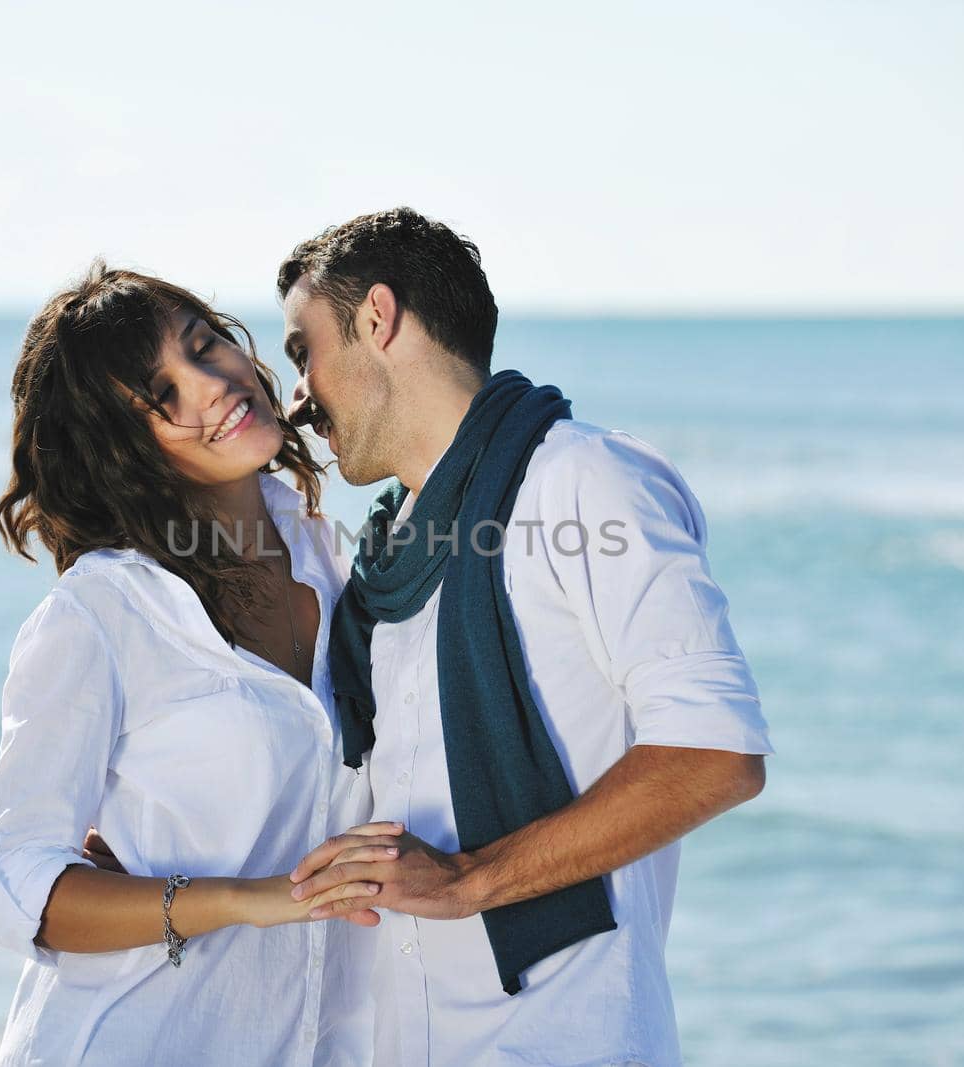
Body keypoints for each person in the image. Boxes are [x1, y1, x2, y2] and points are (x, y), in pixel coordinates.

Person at [278, 208, 775, 1067]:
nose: (297, 393)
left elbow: (715, 751)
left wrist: (472, 878)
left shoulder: (583, 480)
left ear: (377, 318)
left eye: (302, 350)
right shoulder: (389, 553)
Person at [0, 262, 392, 1066]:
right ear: (125, 450)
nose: (211, 384)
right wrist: (243, 900)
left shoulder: (328, 561)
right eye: (162, 396)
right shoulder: (101, 616)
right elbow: (11, 883)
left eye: (204, 346)